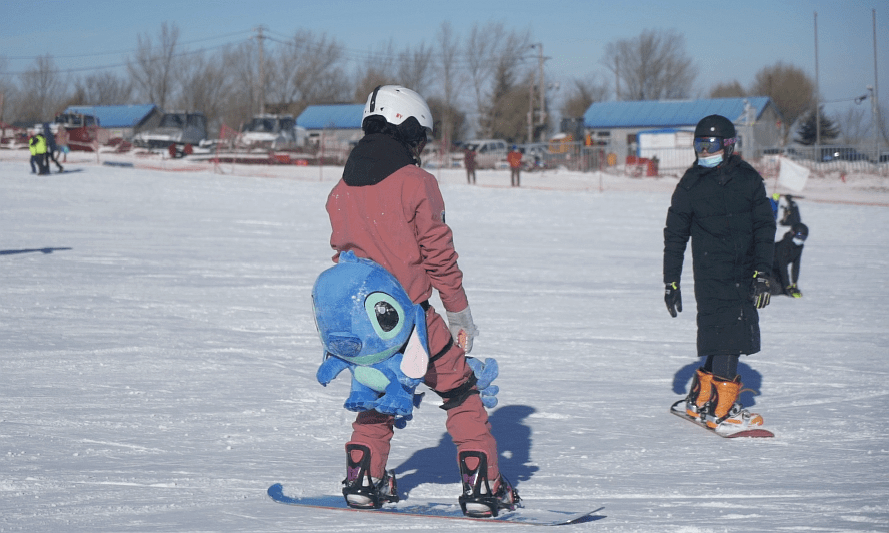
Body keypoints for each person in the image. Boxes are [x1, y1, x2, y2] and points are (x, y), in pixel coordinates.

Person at [325, 85, 519, 517]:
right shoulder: (417, 182)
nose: (421, 148)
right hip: (411, 319)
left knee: (377, 393)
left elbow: (343, 255)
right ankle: (483, 485)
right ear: (408, 130)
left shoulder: (342, 186)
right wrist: (458, 310)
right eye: (420, 138)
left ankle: (362, 478)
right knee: (460, 389)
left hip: (365, 323)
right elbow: (438, 253)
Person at [663, 114, 776, 432]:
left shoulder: (748, 178)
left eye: (710, 145)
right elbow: (675, 235)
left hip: (744, 272)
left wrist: (763, 273)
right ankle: (722, 409)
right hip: (711, 272)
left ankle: (699, 401)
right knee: (727, 336)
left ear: (728, 145)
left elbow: (764, 226)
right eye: (699, 144)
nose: (704, 151)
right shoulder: (691, 182)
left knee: (722, 335)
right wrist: (671, 281)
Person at [771, 223, 808, 298]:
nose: (800, 239)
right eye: (798, 236)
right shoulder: (784, 245)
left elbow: (796, 265)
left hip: (776, 270)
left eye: (803, 238)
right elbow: (783, 266)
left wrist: (794, 283)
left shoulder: (799, 247)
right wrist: (787, 286)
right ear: (793, 233)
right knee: (776, 289)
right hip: (768, 268)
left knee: (781, 289)